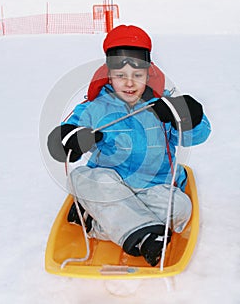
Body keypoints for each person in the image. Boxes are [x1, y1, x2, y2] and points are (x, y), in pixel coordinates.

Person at [47, 25, 211, 267]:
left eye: (137, 75)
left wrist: (190, 117)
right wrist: (72, 137)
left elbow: (195, 137)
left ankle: (94, 221)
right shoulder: (95, 107)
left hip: (155, 186)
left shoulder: (162, 106)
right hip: (109, 183)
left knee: (180, 210)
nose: (129, 83)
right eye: (120, 75)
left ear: (148, 73)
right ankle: (144, 235)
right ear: (108, 75)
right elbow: (61, 141)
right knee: (83, 177)